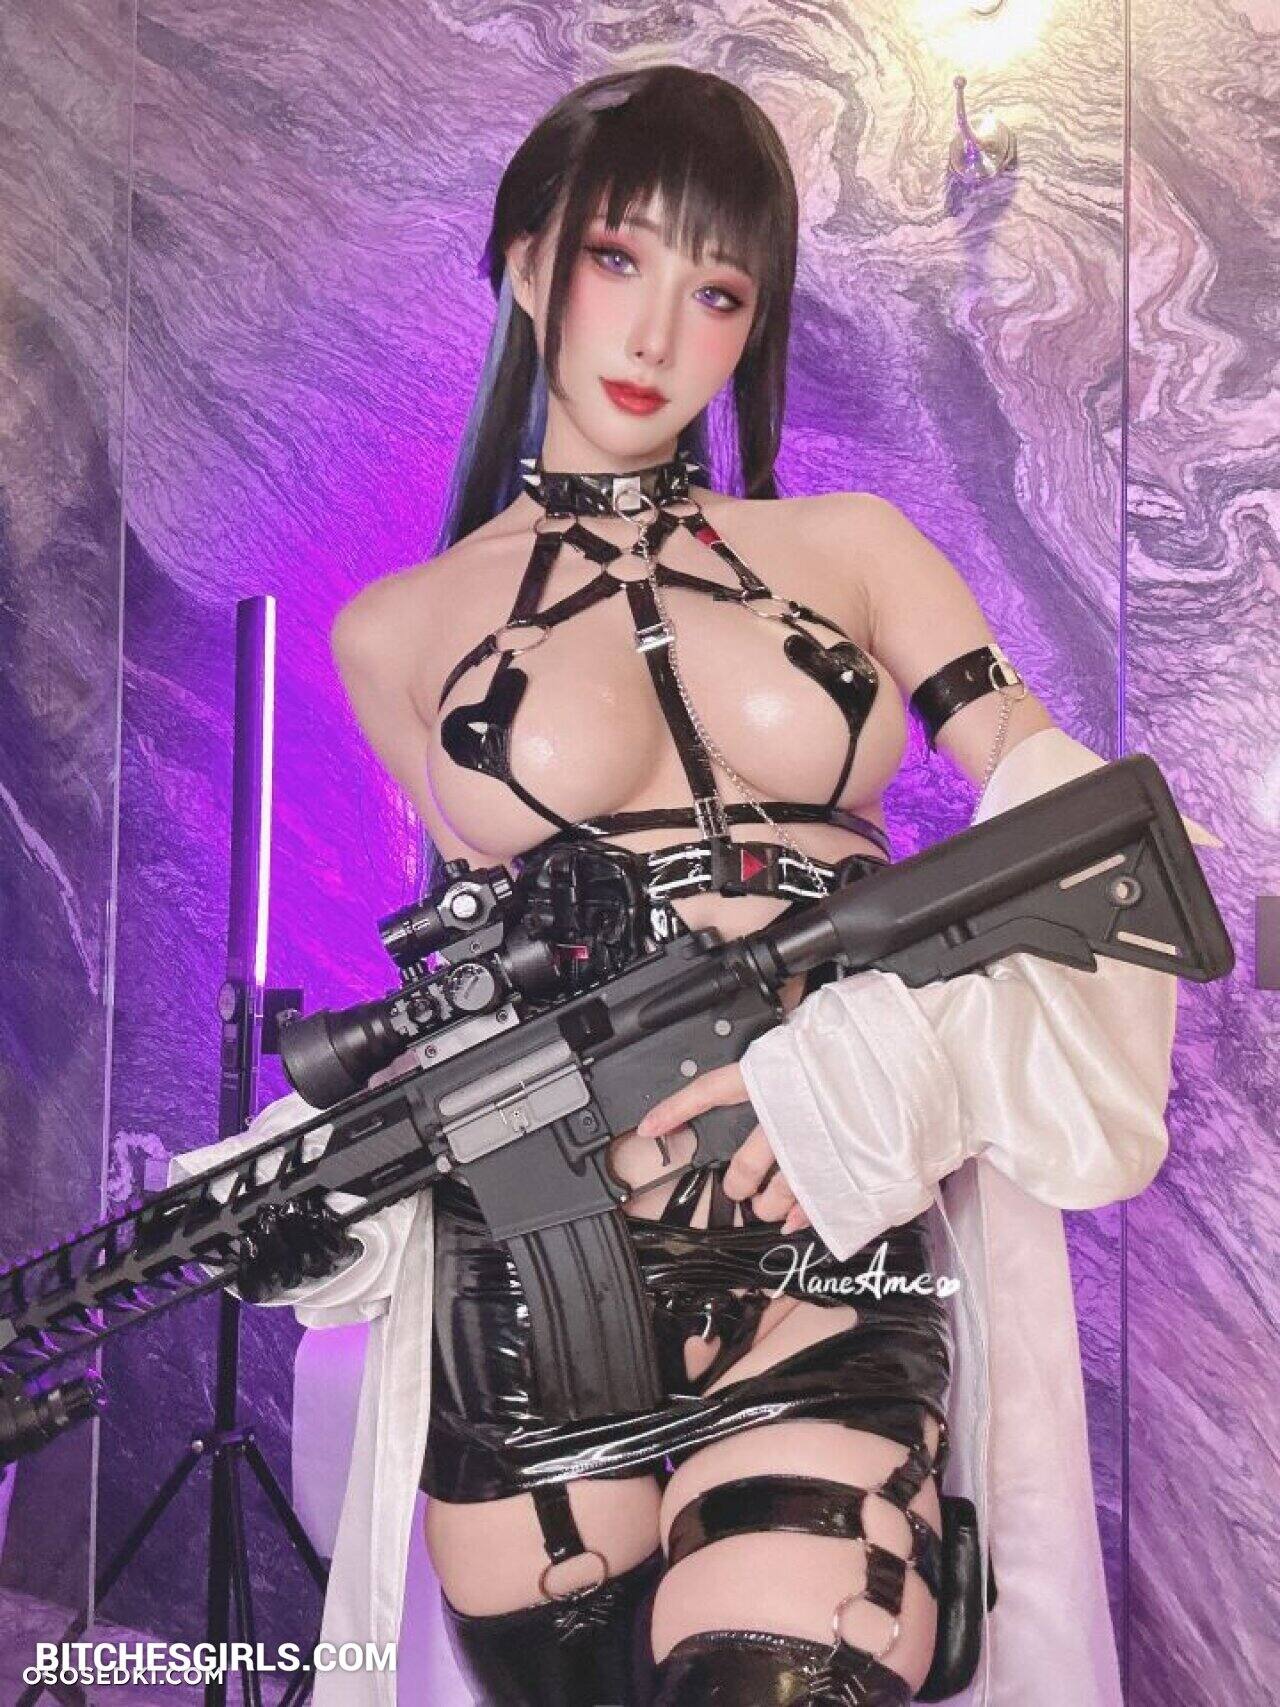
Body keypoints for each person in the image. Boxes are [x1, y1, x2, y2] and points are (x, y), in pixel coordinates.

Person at [171, 62, 1219, 1707]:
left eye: (718, 290)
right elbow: (475, 973)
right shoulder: (392, 632)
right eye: (618, 260)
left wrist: (899, 1060)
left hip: (824, 1244)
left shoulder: (854, 548)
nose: (659, 335)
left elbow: (1078, 821)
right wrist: (330, 1174)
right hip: (528, 1299)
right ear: (530, 261)